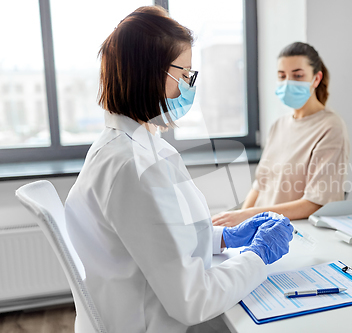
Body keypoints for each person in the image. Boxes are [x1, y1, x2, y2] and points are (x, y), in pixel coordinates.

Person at [64, 6, 293, 333]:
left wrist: (223, 238)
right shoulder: (132, 166)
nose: (189, 85)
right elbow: (192, 301)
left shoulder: (137, 144)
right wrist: (258, 256)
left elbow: (164, 238)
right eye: (184, 74)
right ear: (151, 73)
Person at [213, 42, 350, 227]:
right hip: (259, 227)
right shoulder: (279, 124)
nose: (288, 83)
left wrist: (248, 216)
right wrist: (239, 223)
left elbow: (316, 202)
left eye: (298, 75)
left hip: (289, 233)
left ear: (316, 79)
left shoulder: (330, 127)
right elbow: (260, 185)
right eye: (282, 76)